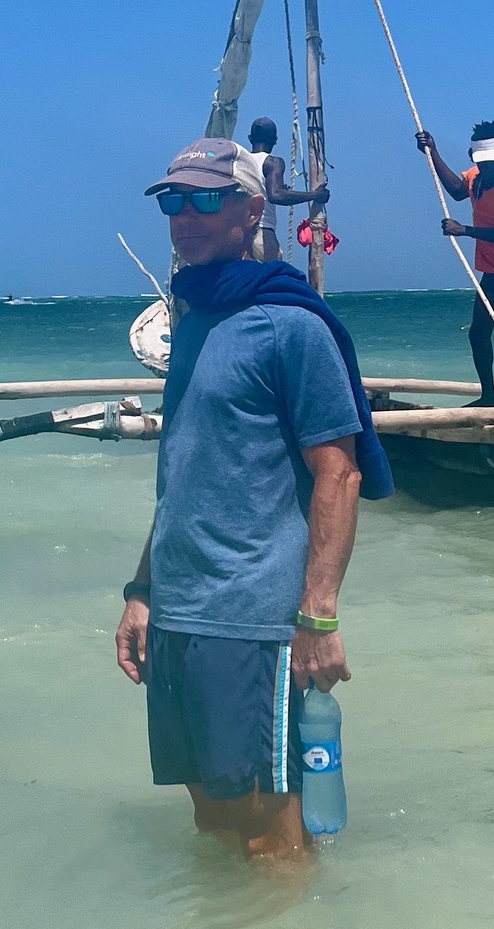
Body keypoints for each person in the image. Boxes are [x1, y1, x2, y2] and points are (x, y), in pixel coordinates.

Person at [114, 137, 392, 864]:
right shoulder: (194, 317)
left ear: (252, 210)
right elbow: (185, 467)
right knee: (209, 812)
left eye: (209, 198)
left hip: (252, 617)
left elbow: (340, 474)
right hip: (179, 605)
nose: (187, 215)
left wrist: (319, 617)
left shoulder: (291, 325)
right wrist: (142, 591)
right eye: (175, 200)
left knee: (270, 828)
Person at [414, 120, 494, 406]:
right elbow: (457, 189)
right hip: (492, 270)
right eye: (483, 163)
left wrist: (464, 230)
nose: (489, 168)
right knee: (479, 333)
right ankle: (488, 396)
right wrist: (433, 152)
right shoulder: (478, 176)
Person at [247, 116, 328, 262]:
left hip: (236, 237)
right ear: (275, 140)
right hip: (261, 234)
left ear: (250, 138)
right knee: (271, 283)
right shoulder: (272, 162)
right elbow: (276, 195)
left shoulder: (238, 163)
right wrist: (315, 195)